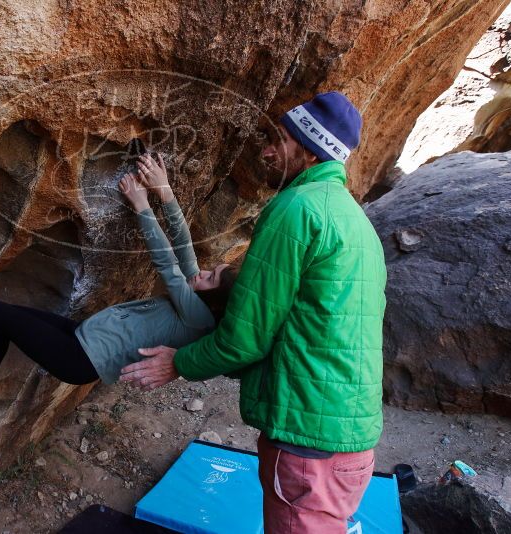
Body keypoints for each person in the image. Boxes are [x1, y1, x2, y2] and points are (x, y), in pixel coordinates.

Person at [120, 92, 387, 533]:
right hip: (351, 436)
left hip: (306, 438)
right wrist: (228, 283)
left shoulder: (295, 209)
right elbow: (318, 311)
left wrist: (178, 364)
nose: (266, 150)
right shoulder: (356, 222)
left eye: (280, 141)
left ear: (310, 149)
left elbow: (247, 338)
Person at [0, 153, 237, 409]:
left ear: (213, 300)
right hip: (84, 338)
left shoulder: (197, 317)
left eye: (210, 278)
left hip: (80, 357)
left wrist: (142, 205)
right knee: (3, 319)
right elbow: (183, 248)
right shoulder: (199, 304)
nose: (202, 273)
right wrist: (165, 193)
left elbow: (168, 262)